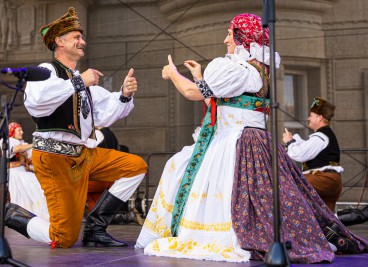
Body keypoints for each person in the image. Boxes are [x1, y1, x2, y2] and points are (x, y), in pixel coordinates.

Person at [136, 13, 368, 263]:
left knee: (197, 177)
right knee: (193, 171)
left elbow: (194, 94)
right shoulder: (258, 71)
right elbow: (219, 102)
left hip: (234, 141)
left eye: (230, 34)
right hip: (253, 140)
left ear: (242, 38)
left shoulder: (236, 68)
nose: (226, 40)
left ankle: (222, 235)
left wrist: (172, 73)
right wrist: (200, 77)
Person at [0, 7, 148, 249]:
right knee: (63, 238)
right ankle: (4, 212)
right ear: (59, 42)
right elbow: (38, 102)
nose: (83, 41)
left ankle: (95, 228)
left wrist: (124, 94)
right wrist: (80, 81)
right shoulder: (47, 71)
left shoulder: (82, 79)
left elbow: (104, 112)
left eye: (82, 37)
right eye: (76, 37)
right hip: (54, 158)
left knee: (135, 167)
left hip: (84, 155)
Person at [282, 97, 343, 212]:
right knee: (325, 219)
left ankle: (279, 225)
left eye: (311, 115)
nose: (308, 118)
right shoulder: (324, 136)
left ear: (320, 118)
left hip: (323, 179)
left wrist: (289, 142)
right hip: (331, 181)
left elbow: (300, 154)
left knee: (285, 185)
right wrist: (293, 141)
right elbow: (306, 148)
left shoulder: (320, 137)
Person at [0, 122, 49, 220]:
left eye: (21, 130)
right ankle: (19, 215)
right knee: (31, 186)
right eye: (19, 130)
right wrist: (34, 144)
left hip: (23, 171)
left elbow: (30, 160)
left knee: (39, 185)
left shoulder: (24, 144)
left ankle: (35, 214)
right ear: (12, 132)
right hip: (13, 173)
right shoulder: (8, 141)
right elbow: (16, 149)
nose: (22, 132)